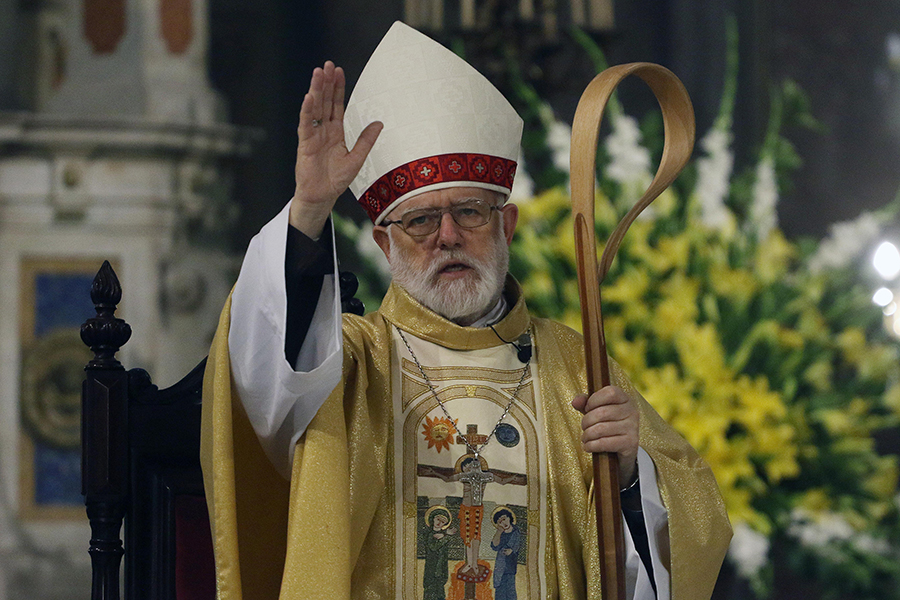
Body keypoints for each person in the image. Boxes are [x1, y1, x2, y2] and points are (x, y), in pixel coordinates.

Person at [200, 21, 732, 600]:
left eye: (470, 213)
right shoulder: (350, 362)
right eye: (421, 221)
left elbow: (696, 525)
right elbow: (260, 382)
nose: (447, 236)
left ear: (506, 226)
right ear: (385, 245)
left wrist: (629, 473)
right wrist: (310, 207)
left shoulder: (574, 364)